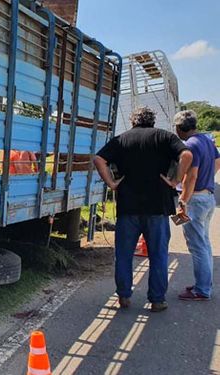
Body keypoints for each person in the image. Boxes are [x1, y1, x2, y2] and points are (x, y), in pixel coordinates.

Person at [93, 106, 193, 312]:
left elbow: (98, 159)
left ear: (133, 122)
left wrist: (112, 184)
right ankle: (157, 300)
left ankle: (124, 297)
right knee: (158, 255)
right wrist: (175, 180)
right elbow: (187, 156)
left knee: (124, 254)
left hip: (128, 208)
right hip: (157, 208)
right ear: (153, 121)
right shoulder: (164, 137)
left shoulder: (122, 139)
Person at [174, 110, 220, 301]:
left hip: (195, 200)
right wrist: (207, 177)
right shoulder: (207, 140)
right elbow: (218, 161)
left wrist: (183, 201)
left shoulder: (190, 145)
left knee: (197, 245)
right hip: (208, 197)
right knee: (204, 243)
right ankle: (204, 283)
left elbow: (190, 177)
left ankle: (201, 289)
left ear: (179, 128)